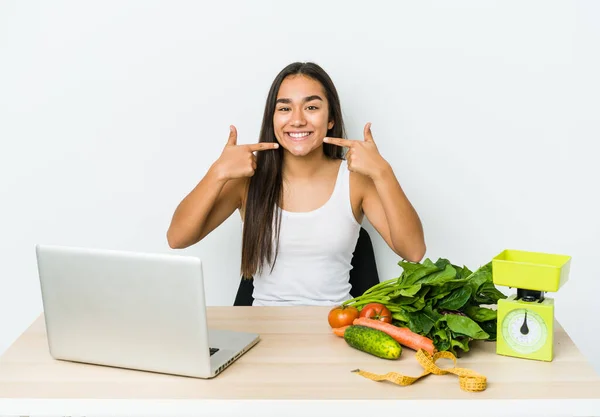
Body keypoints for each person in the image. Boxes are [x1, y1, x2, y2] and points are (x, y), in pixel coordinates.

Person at [167, 62, 426, 306]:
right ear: (273, 118)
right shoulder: (247, 180)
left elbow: (413, 251)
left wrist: (383, 172)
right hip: (261, 333)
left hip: (335, 331)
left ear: (331, 119)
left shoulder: (355, 180)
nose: (298, 120)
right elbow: (177, 238)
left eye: (311, 107)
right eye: (284, 108)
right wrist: (218, 172)